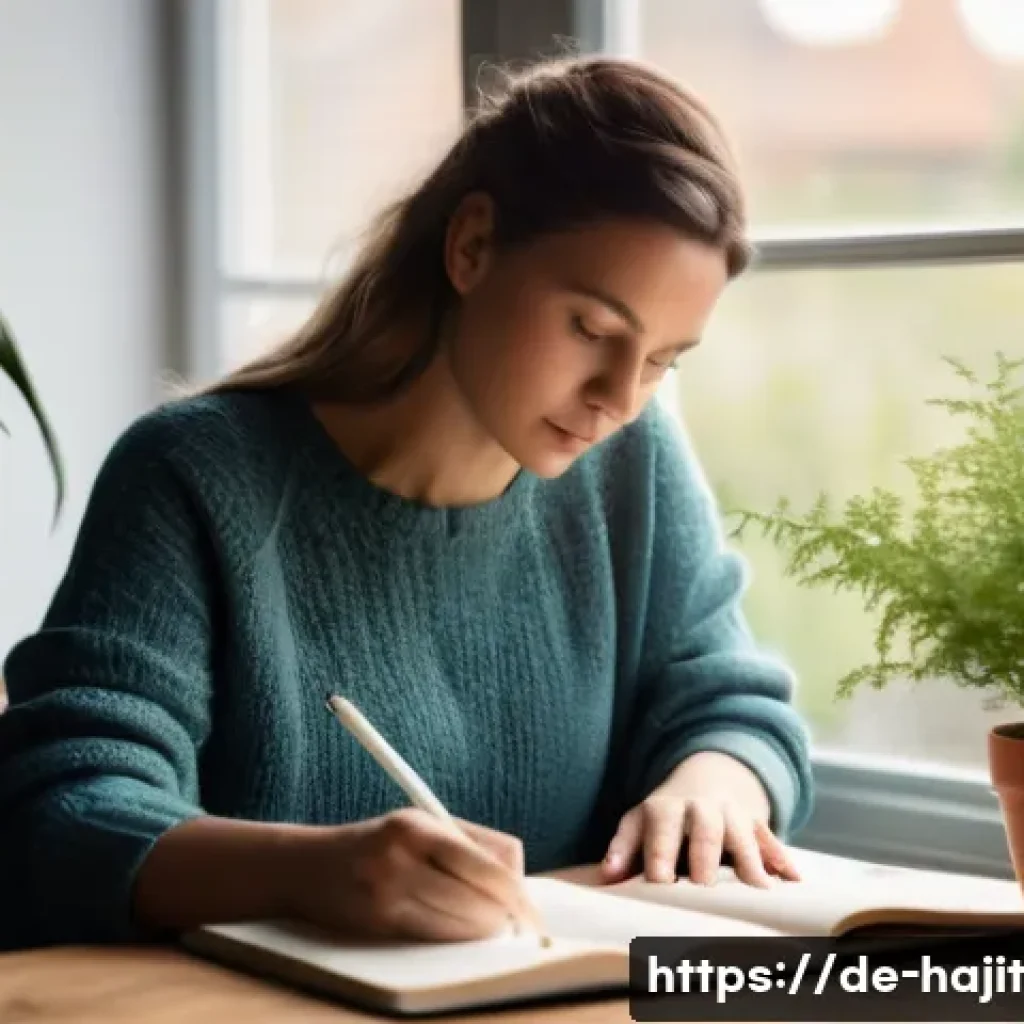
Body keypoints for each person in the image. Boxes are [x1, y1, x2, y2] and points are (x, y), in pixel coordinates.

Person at [0, 54, 814, 952]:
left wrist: (717, 782)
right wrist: (308, 874)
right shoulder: (192, 477)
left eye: (664, 359)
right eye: (591, 328)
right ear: (471, 247)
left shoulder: (631, 462)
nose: (619, 397)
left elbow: (728, 698)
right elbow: (60, 810)